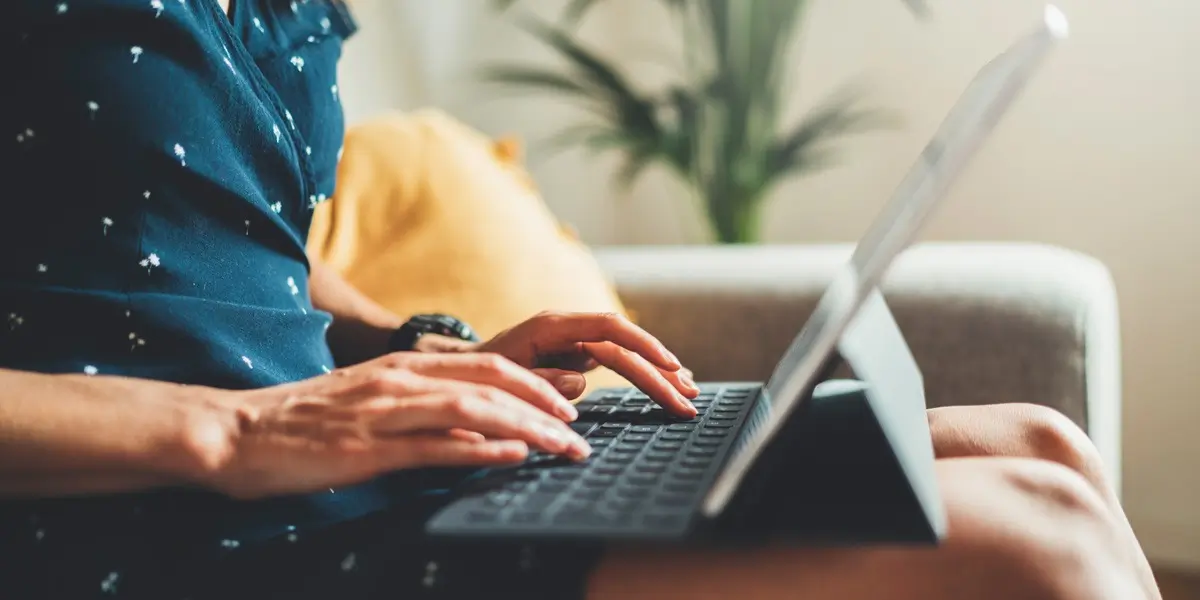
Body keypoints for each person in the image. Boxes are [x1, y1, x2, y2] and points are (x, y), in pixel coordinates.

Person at [1, 1, 1161, 599]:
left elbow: (230, 234)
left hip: (341, 467)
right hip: (141, 519)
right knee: (1033, 553)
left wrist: (415, 346)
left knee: (1040, 449)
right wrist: (236, 429)